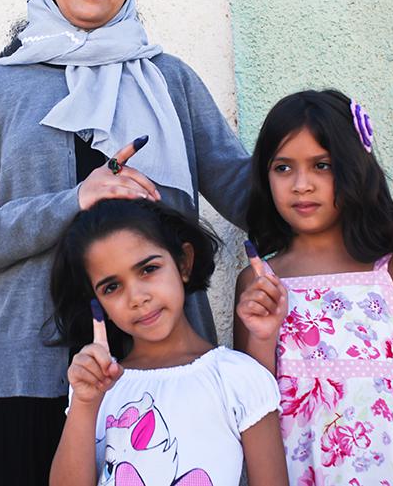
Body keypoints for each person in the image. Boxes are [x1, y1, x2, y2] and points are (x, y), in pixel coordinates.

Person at [0, 0, 393, 484]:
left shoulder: (170, 79)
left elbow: (253, 193)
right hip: (26, 372)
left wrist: (380, 222)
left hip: (172, 374)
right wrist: (76, 200)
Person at [234, 90, 393, 485]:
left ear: (353, 167)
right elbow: (254, 410)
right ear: (264, 176)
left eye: (322, 165)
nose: (301, 184)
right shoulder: (259, 283)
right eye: (283, 168)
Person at [49, 198, 287, 486]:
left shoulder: (237, 377)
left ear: (184, 263)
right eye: (112, 287)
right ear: (97, 304)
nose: (137, 297)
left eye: (148, 269)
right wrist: (85, 404)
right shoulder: (96, 388)